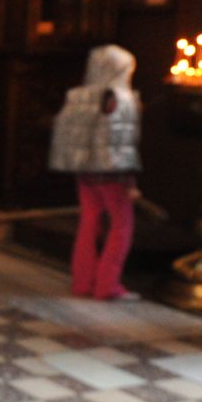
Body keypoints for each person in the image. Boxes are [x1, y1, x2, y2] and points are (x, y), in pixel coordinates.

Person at [48, 44, 142, 300]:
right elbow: (121, 142)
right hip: (112, 173)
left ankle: (83, 282)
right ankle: (107, 285)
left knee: (88, 222)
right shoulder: (121, 97)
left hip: (84, 170)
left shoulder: (80, 94)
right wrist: (130, 181)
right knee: (121, 226)